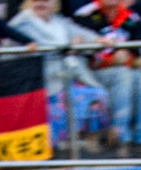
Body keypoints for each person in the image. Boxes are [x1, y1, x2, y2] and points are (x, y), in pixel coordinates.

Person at [10, 0, 105, 146]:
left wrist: (99, 39)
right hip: (41, 78)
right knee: (67, 99)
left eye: (46, 1)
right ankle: (59, 146)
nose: (41, 4)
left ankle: (85, 142)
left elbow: (83, 34)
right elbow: (42, 47)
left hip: (70, 73)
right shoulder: (20, 24)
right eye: (36, 1)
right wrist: (69, 47)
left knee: (98, 95)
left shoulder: (59, 21)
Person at [81, 0, 141, 155]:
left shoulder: (131, 18)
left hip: (123, 71)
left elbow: (136, 52)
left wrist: (139, 61)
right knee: (123, 74)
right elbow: (83, 58)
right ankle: (119, 137)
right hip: (91, 75)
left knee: (140, 76)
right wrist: (110, 61)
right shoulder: (86, 16)